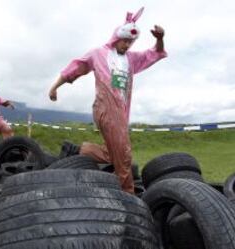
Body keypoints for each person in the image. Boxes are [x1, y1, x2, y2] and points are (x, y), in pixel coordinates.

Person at [48, 7, 167, 194]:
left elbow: (154, 54)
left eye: (131, 42)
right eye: (125, 41)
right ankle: (127, 194)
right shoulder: (98, 54)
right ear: (116, 37)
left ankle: (82, 151)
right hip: (105, 106)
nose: (127, 45)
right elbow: (75, 67)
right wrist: (55, 87)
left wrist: (159, 39)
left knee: (114, 154)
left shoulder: (131, 59)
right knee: (124, 154)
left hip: (121, 110)